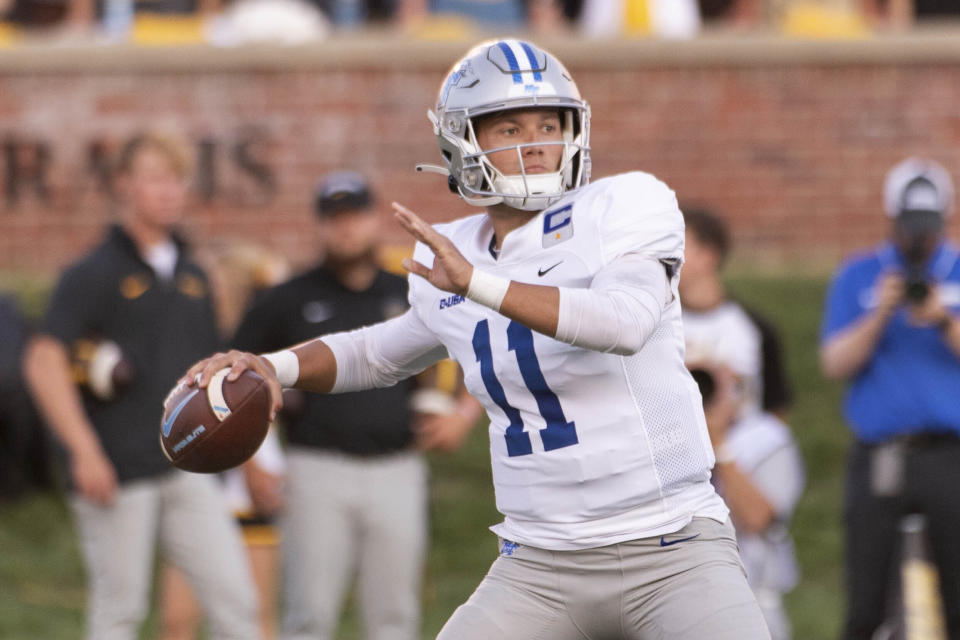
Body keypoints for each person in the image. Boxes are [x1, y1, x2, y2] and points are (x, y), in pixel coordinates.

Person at [184, 39, 770, 639]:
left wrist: (479, 284)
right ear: (462, 142)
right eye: (509, 127)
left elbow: (623, 322)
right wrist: (270, 367)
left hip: (671, 546)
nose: (536, 141)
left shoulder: (624, 205)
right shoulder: (454, 248)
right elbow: (379, 352)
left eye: (549, 122)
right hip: (540, 565)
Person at [22, 131, 260, 640]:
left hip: (187, 467)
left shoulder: (194, 272)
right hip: (117, 471)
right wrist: (84, 452)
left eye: (176, 179)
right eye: (155, 179)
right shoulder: (91, 272)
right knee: (120, 612)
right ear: (124, 185)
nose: (169, 191)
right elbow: (43, 362)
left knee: (237, 604)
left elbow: (210, 377)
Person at [231, 170, 479, 640]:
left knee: (394, 617)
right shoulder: (287, 298)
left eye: (355, 215)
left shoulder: (406, 289)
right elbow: (241, 378)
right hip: (315, 470)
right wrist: (253, 461)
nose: (346, 228)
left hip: (397, 467)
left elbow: (477, 337)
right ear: (320, 225)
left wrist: (463, 412)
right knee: (309, 615)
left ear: (373, 219)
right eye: (334, 217)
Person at [820, 157, 960, 640]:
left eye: (927, 225)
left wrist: (944, 319)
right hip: (879, 456)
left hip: (950, 456)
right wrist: (880, 314)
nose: (918, 238)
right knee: (865, 605)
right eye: (909, 225)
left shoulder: (958, 269)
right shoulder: (860, 274)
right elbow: (834, 364)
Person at [679, 208, 805, 640]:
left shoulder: (753, 329)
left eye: (683, 243)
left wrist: (727, 441)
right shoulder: (652, 326)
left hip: (740, 453)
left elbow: (775, 412)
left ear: (711, 253)